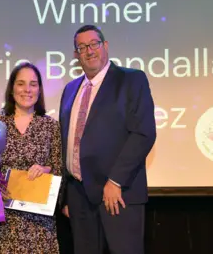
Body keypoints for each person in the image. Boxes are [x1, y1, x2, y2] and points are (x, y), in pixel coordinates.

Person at [59, 24, 157, 254]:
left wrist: (115, 181)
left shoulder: (131, 80)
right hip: (79, 197)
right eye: (82, 47)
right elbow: (66, 142)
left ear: (105, 46)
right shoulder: (70, 89)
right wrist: (65, 196)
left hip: (118, 193)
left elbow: (143, 133)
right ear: (76, 55)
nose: (89, 51)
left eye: (94, 44)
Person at [0, 62, 62, 254]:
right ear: (12, 88)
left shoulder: (51, 127)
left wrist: (47, 169)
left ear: (39, 90)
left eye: (33, 84)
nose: (27, 90)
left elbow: (59, 172)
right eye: (21, 83)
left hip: (36, 226)